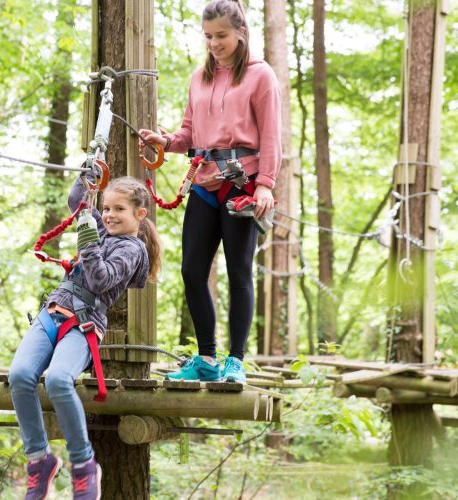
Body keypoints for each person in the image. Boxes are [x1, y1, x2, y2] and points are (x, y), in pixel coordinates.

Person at [140, 0, 281, 384]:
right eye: (208, 36)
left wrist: (266, 183)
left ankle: (235, 362)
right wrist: (165, 141)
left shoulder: (259, 75)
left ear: (241, 32)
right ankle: (205, 358)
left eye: (221, 35)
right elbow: (189, 133)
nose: (214, 43)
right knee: (191, 271)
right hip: (203, 184)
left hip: (243, 184)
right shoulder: (198, 77)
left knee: (239, 273)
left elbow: (271, 134)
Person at [8, 174, 161, 500]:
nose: (108, 215)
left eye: (119, 209)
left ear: (139, 215)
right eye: (106, 208)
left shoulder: (132, 249)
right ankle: (39, 461)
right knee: (19, 376)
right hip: (52, 314)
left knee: (59, 381)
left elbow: (100, 278)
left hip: (84, 323)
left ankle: (83, 465)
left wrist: (89, 238)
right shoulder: (102, 229)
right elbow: (78, 202)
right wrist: (87, 173)